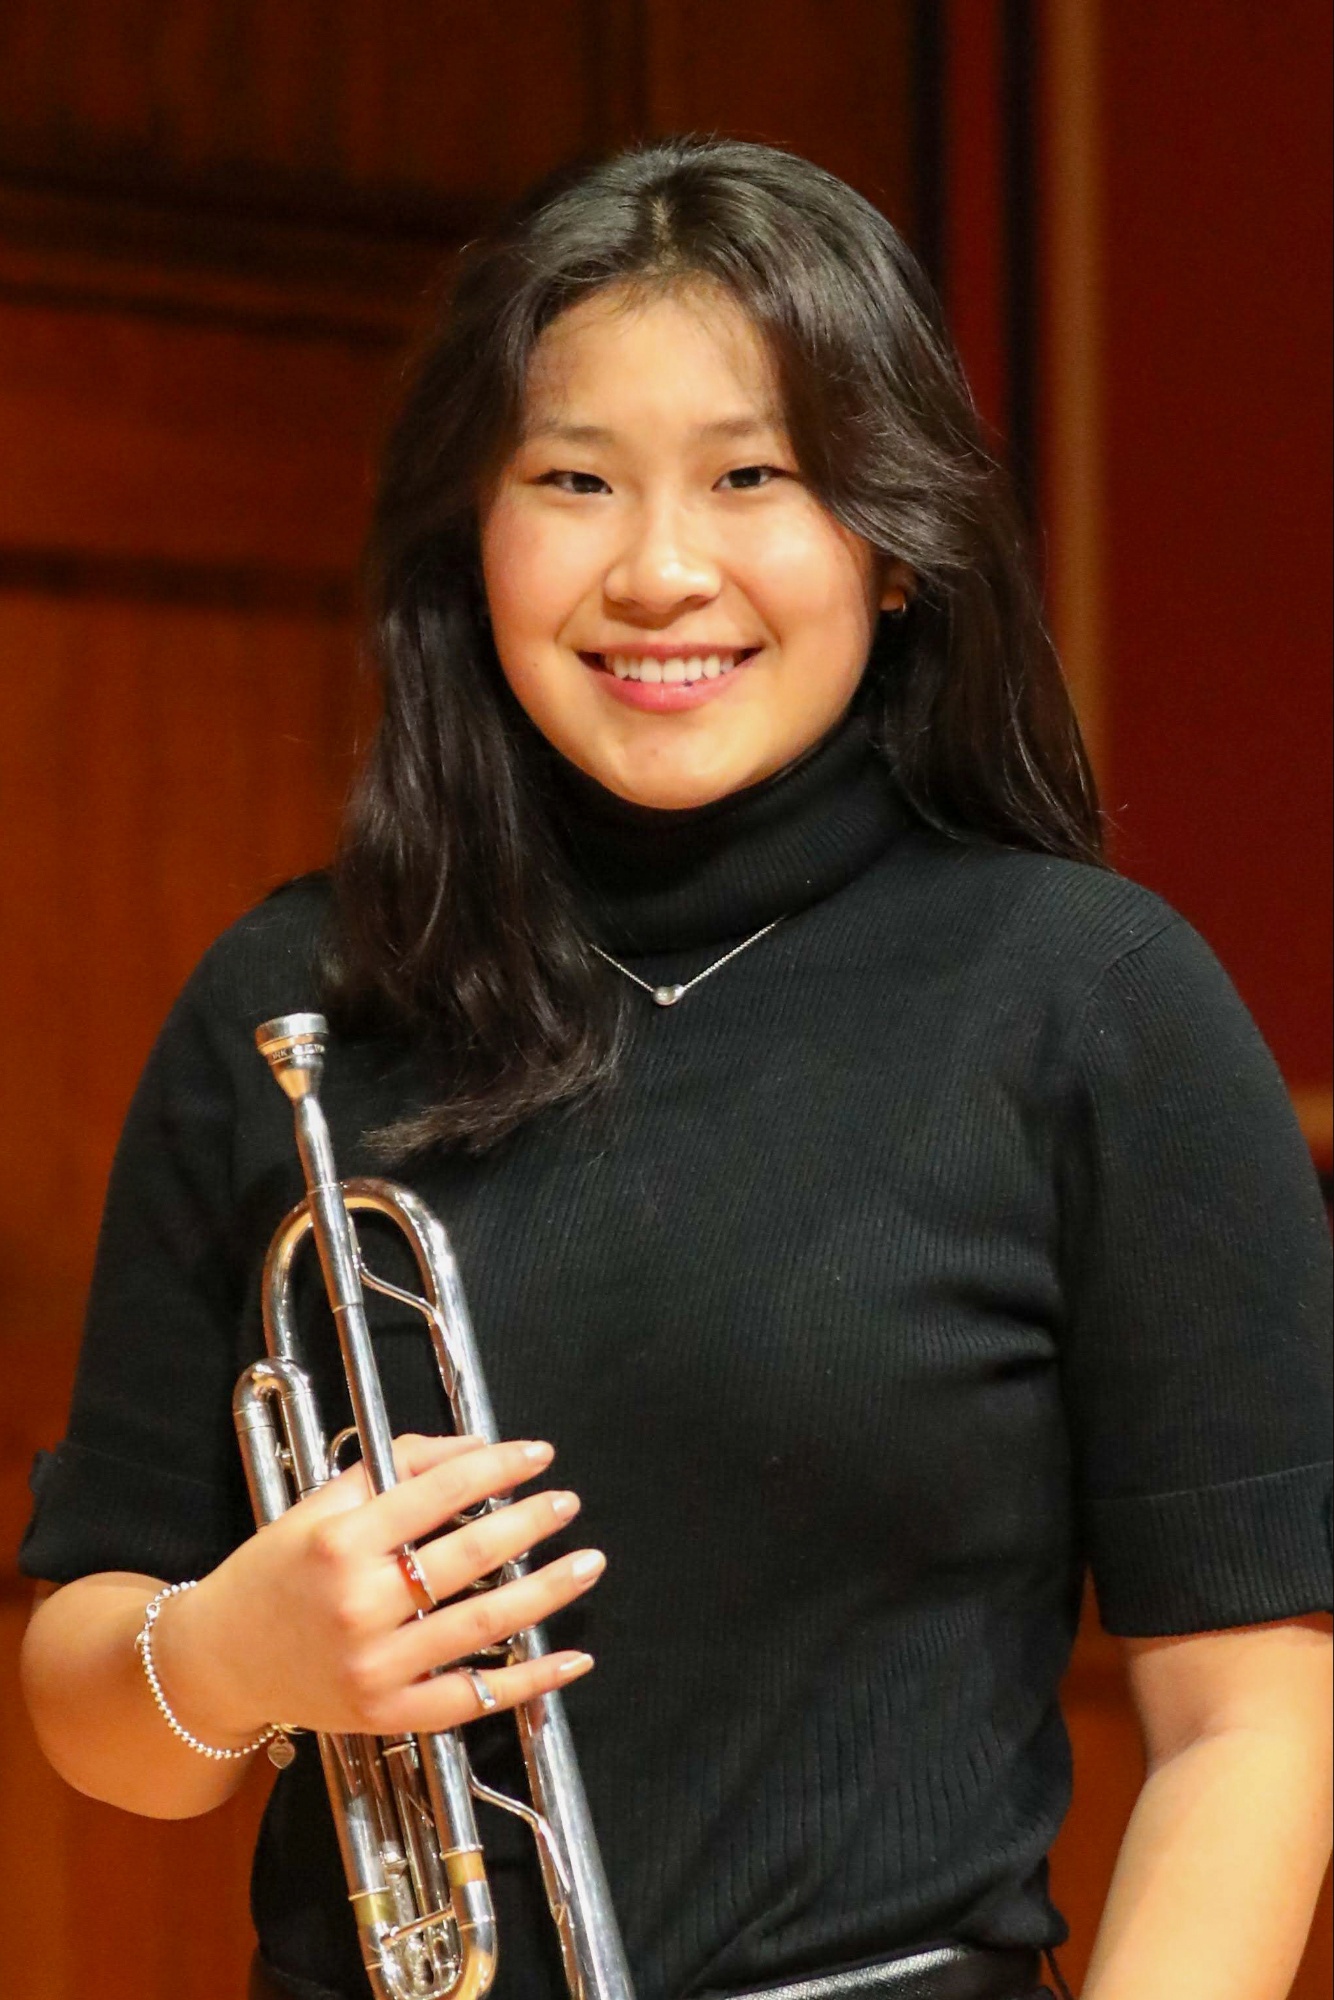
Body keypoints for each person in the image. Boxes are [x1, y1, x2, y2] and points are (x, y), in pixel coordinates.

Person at [17, 137, 1333, 2000]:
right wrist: (233, 1655)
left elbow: (1250, 1726)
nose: (656, 571)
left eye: (751, 477)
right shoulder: (292, 1002)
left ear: (893, 543)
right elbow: (101, 1719)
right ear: (472, 533)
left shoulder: (1091, 1005)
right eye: (573, 480)